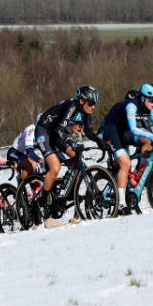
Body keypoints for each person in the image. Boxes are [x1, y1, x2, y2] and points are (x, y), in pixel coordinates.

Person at [100, 83, 153, 215]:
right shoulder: (132, 106)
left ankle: (138, 174)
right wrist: (150, 135)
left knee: (148, 141)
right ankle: (121, 205)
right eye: (152, 99)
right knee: (126, 163)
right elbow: (134, 129)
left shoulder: (151, 109)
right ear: (143, 98)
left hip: (124, 131)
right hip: (111, 130)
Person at [34, 86, 102, 218]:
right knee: (55, 167)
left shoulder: (86, 111)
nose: (93, 107)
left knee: (78, 156)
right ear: (82, 101)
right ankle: (42, 202)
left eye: (94, 104)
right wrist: (72, 143)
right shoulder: (72, 106)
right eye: (91, 103)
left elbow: (88, 132)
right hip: (44, 130)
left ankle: (68, 189)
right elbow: (59, 129)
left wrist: (101, 143)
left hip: (56, 131)